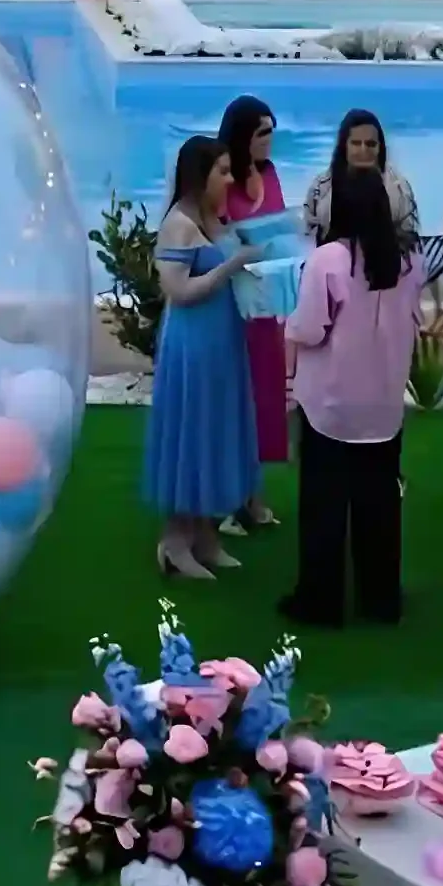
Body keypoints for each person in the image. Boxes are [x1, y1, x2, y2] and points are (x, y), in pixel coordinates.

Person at [281, 168, 422, 626]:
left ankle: (320, 602)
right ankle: (381, 600)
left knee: (324, 506)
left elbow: (309, 329)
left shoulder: (328, 260)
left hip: (332, 404)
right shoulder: (409, 261)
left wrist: (287, 326)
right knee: (380, 503)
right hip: (383, 404)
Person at [141, 135, 259, 580]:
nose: (229, 180)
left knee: (212, 432)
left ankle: (205, 536)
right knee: (191, 435)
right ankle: (175, 540)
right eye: (222, 172)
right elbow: (179, 291)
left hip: (221, 342)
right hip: (192, 345)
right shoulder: (178, 224)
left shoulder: (214, 218)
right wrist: (232, 265)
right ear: (199, 175)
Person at [218, 95, 288, 526]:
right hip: (231, 300)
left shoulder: (271, 174)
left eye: (271, 133)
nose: (268, 140)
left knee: (264, 397)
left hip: (266, 299)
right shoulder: (222, 178)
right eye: (262, 133)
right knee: (234, 400)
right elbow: (215, 234)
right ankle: (227, 498)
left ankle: (253, 495)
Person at [300, 109, 420, 245]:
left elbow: (409, 241)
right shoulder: (320, 188)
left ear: (380, 148)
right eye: (356, 143)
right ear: (344, 147)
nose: (363, 150)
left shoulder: (400, 190)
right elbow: (309, 240)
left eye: (371, 144)